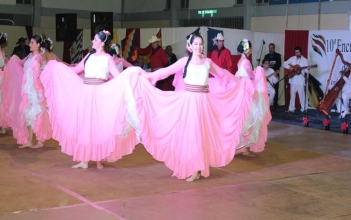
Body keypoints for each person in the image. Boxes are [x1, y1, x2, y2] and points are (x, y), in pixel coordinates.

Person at [139, 33, 254, 181]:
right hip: (189, 102)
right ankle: (192, 167)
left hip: (203, 103)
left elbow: (222, 73)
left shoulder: (207, 62)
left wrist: (236, 79)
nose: (199, 47)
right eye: (196, 44)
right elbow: (165, 72)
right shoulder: (184, 62)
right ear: (190, 46)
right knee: (190, 135)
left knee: (200, 135)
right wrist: (148, 76)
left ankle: (197, 169)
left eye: (201, 44)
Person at [40, 30, 140, 169]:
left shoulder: (108, 59)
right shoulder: (88, 55)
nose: (92, 41)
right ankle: (84, 160)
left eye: (95, 39)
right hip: (86, 92)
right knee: (85, 125)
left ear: (102, 43)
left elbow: (118, 76)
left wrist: (131, 76)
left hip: (100, 94)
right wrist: (57, 66)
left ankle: (98, 158)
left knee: (98, 125)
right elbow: (75, 70)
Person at [3, 35, 52, 148]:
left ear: (38, 45)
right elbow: (20, 63)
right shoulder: (30, 55)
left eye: (32, 42)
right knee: (28, 114)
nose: (30, 45)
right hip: (27, 90)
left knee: (37, 114)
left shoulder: (39, 57)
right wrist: (11, 59)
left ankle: (40, 141)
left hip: (35, 90)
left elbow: (44, 69)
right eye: (30, 42)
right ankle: (30, 141)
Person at [235, 39, 271, 158]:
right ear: (248, 49)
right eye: (250, 47)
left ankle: (241, 147)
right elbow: (251, 76)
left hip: (242, 92)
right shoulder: (246, 62)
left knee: (245, 119)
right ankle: (243, 148)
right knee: (250, 118)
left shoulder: (240, 61)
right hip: (246, 93)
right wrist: (258, 71)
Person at [283, 46, 311, 113]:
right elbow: (284, 63)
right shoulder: (292, 58)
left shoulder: (305, 60)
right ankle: (291, 108)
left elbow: (306, 71)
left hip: (300, 81)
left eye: (298, 52)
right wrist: (289, 67)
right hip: (292, 80)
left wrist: (308, 69)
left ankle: (303, 109)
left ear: (301, 52)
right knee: (292, 95)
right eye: (295, 52)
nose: (296, 53)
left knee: (302, 95)